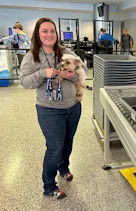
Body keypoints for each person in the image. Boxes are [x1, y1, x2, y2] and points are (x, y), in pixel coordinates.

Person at [19, 17, 87, 199]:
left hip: (72, 107)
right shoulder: (31, 56)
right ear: (38, 34)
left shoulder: (66, 52)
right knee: (55, 148)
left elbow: (83, 72)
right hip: (49, 110)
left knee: (68, 142)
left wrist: (71, 75)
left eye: (52, 31)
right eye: (45, 31)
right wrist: (43, 73)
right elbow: (24, 82)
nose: (49, 35)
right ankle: (49, 186)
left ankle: (64, 168)